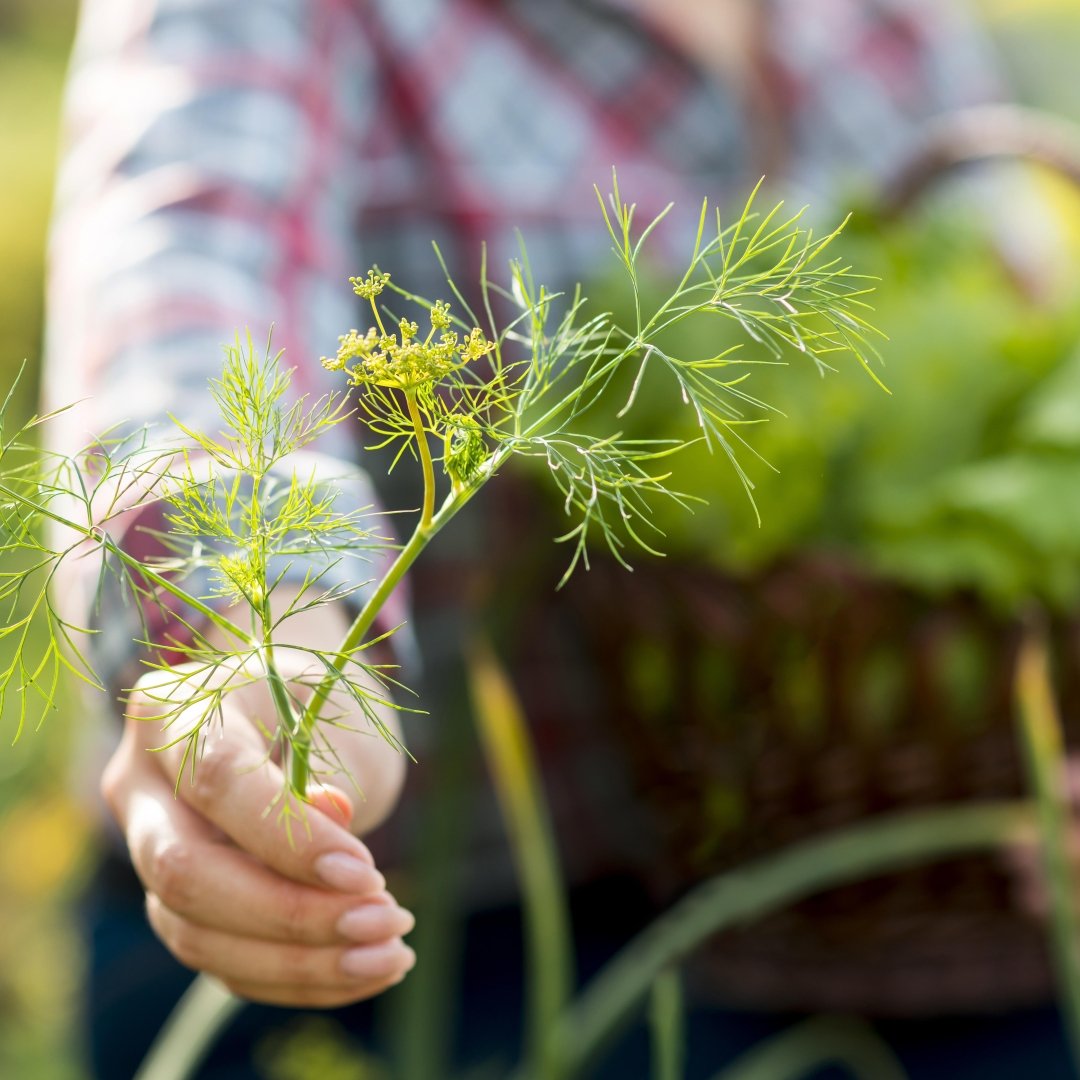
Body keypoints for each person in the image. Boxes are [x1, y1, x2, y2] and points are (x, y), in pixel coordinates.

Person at [47, 1, 1045, 1076]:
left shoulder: (894, 29)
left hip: (881, 896)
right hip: (417, 925)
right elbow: (190, 309)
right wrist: (271, 639)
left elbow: (1021, 371)